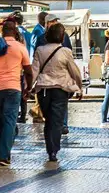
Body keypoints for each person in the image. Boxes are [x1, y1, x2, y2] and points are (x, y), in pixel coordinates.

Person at [0, 14, 33, 166]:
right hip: (13, 89)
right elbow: (28, 72)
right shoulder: (21, 48)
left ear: (3, 31)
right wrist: (28, 88)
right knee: (10, 121)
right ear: (15, 32)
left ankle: (3, 151)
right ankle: (3, 155)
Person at [31, 22, 86, 166]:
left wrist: (27, 88)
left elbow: (34, 71)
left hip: (43, 90)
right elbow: (74, 71)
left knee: (48, 120)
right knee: (56, 121)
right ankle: (53, 150)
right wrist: (79, 87)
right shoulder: (65, 51)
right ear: (62, 37)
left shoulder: (40, 50)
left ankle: (51, 149)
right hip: (60, 89)